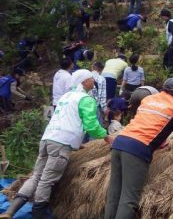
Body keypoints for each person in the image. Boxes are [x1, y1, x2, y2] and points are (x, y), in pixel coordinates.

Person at [1, 70, 112, 219]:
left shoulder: (66, 96)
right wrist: (107, 137)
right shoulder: (85, 99)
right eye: (92, 79)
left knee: (36, 176)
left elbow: (65, 119)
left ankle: (10, 211)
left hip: (48, 138)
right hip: (60, 143)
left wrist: (73, 141)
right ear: (85, 81)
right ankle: (38, 214)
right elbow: (92, 125)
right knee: (47, 180)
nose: (94, 82)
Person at [104, 78, 173, 219]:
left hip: (119, 143)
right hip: (136, 151)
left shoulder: (149, 100)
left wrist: (158, 142)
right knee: (128, 199)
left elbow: (147, 122)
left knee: (114, 194)